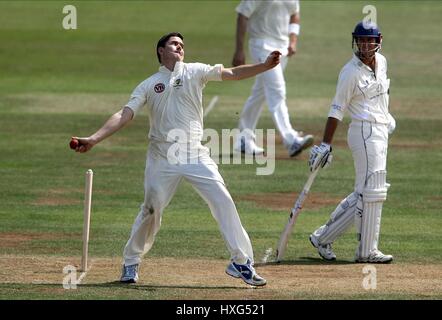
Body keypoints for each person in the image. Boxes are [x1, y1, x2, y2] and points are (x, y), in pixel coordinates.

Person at [71, 32, 283, 286]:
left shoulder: (196, 71)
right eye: (174, 44)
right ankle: (131, 262)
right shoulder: (149, 84)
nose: (180, 47)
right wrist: (94, 138)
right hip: (162, 156)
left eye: (182, 44)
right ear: (160, 50)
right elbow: (124, 114)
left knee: (222, 200)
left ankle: (240, 262)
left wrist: (264, 66)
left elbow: (233, 73)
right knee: (151, 210)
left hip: (195, 153)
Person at [308, 21, 396, 263]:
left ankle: (322, 237)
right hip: (364, 134)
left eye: (370, 40)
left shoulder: (383, 62)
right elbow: (336, 109)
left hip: (380, 132)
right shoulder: (350, 72)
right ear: (355, 41)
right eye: (361, 40)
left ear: (379, 40)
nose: (365, 45)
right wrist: (325, 144)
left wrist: (386, 116)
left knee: (364, 194)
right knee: (373, 192)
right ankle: (366, 251)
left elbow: (381, 93)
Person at [232, 0, 313, 156]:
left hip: (283, 47)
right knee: (277, 90)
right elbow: (242, 15)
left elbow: (294, 14)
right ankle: (291, 140)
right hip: (262, 45)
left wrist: (293, 40)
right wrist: (239, 50)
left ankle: (243, 140)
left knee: (260, 92)